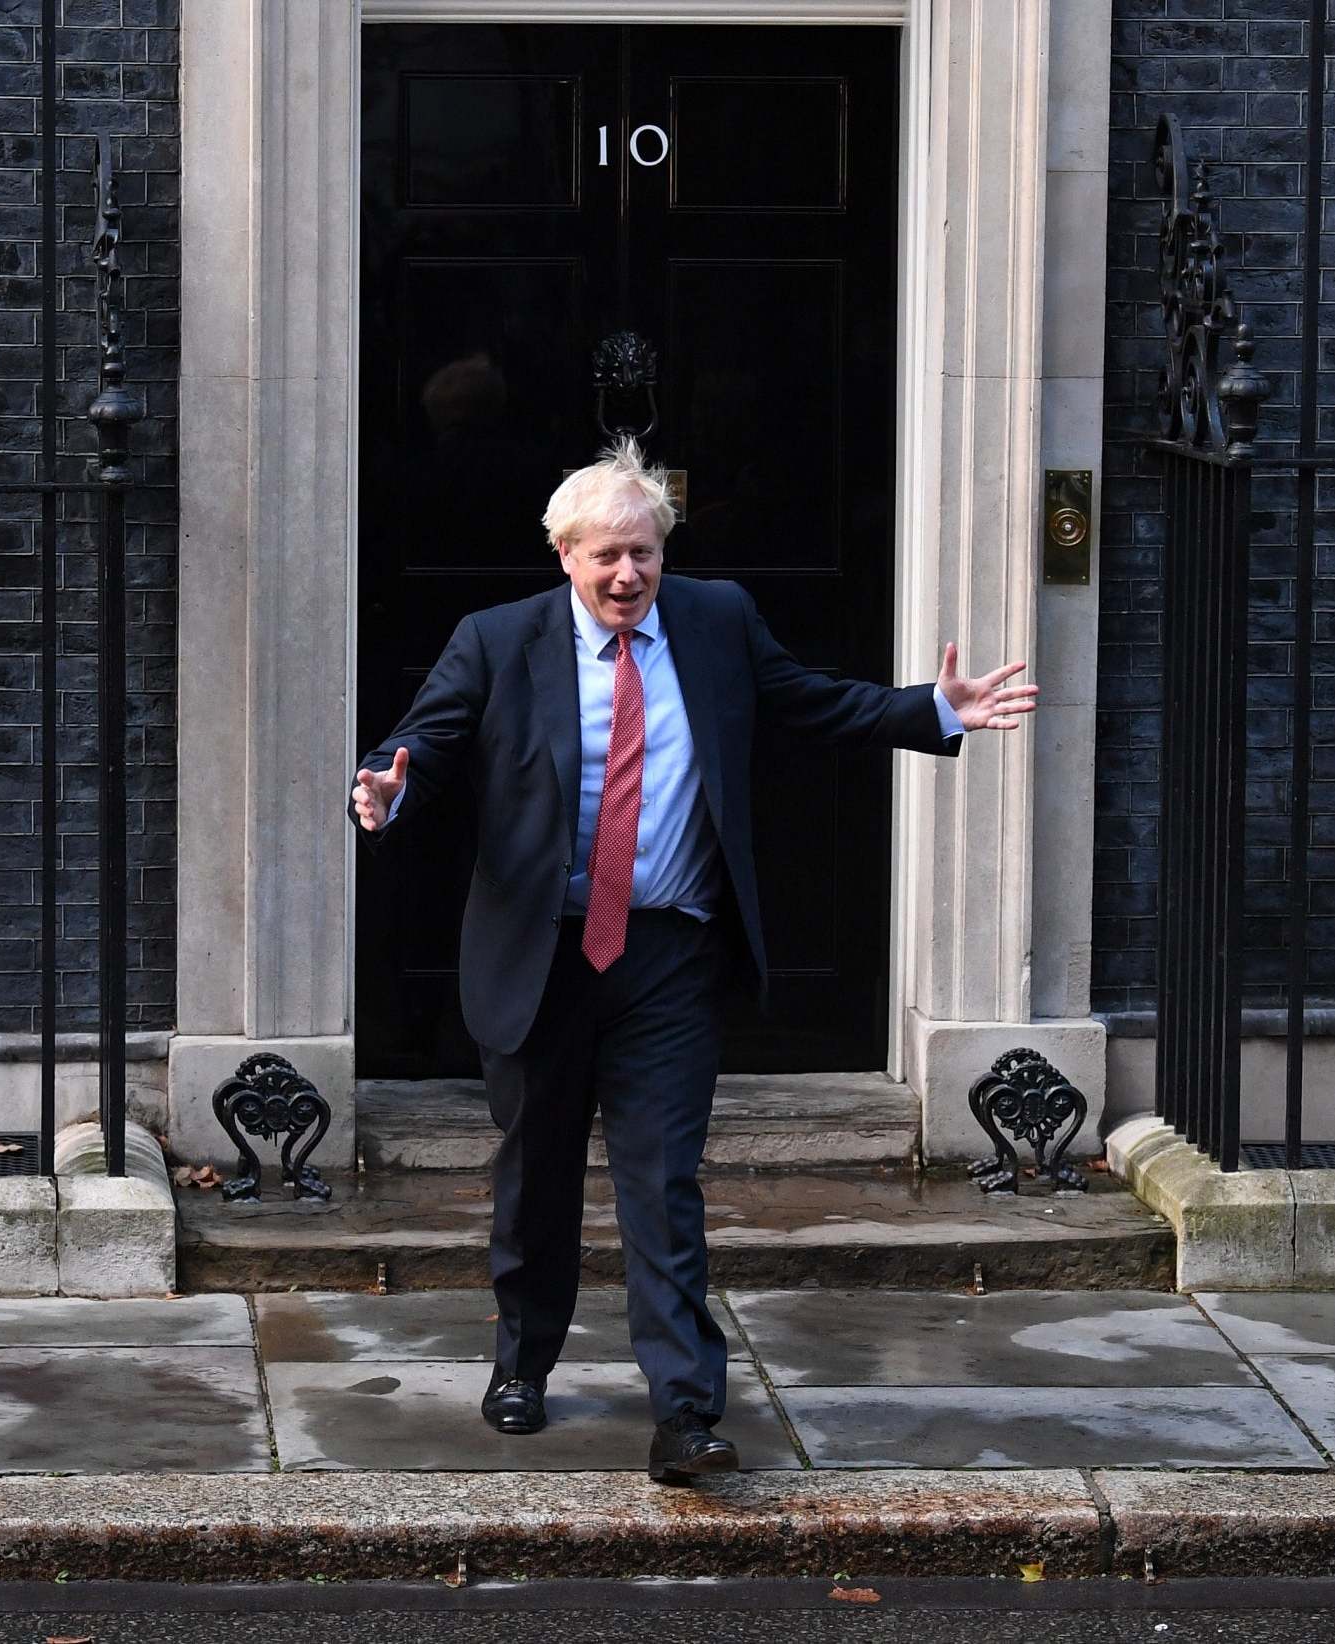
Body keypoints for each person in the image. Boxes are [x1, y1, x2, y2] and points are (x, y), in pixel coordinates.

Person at [348, 438, 1036, 1485]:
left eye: (645, 555)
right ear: (564, 555)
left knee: (663, 1184)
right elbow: (426, 742)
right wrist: (387, 787)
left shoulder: (716, 621)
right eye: (607, 557)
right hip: (544, 954)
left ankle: (684, 1413)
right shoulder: (497, 641)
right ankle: (523, 1362)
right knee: (534, 1182)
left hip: (667, 952)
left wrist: (934, 711)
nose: (628, 577)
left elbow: (811, 702)